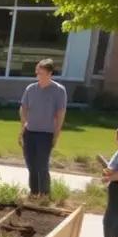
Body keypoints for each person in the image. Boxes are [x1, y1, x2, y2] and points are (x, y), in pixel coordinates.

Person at [19, 59, 67, 199]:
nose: (38, 75)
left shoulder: (59, 90)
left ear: (49, 73)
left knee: (42, 165)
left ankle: (44, 193)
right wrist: (23, 127)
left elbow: (60, 114)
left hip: (46, 134)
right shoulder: (31, 89)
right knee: (31, 164)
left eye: (41, 72)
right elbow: (23, 108)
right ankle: (33, 192)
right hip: (30, 132)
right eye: (37, 72)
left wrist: (56, 135)